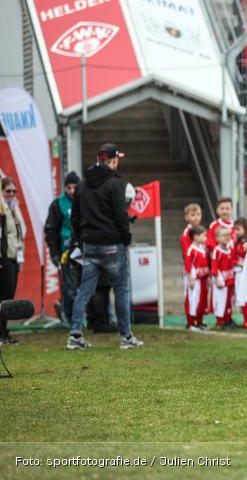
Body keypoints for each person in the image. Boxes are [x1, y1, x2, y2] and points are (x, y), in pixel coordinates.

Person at [67, 144, 143, 350]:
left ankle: (75, 336)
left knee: (84, 290)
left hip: (90, 245)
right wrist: (125, 238)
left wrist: (81, 240)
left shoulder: (82, 185)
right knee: (121, 289)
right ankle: (126, 337)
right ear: (113, 160)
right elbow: (121, 217)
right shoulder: (115, 185)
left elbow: (74, 218)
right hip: (112, 245)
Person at [45, 172, 80, 325]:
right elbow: (51, 230)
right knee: (70, 288)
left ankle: (95, 318)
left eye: (74, 187)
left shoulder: (86, 200)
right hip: (67, 252)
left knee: (89, 287)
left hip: (86, 250)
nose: (72, 191)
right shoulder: (58, 204)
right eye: (69, 187)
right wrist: (54, 254)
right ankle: (73, 321)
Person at [0, 177, 25, 343]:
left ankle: (5, 332)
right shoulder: (2, 210)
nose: (11, 194)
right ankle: (1, 333)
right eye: (8, 191)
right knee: (4, 296)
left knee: (9, 295)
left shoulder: (15, 207)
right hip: (4, 256)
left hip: (15, 256)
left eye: (14, 191)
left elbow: (21, 231)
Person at [183, 225, 209, 330]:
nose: (206, 238)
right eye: (204, 236)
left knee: (201, 302)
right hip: (195, 280)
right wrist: (190, 279)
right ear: (196, 237)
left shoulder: (202, 249)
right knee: (193, 301)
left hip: (202, 280)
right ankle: (191, 323)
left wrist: (207, 278)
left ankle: (199, 322)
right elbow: (189, 266)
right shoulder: (191, 250)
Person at [210, 226, 235, 329]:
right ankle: (220, 321)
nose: (227, 237)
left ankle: (228, 319)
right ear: (217, 238)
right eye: (224, 235)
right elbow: (214, 266)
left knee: (228, 301)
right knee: (220, 300)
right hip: (221, 281)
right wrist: (217, 279)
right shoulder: (217, 251)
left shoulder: (229, 249)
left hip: (229, 280)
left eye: (228, 235)